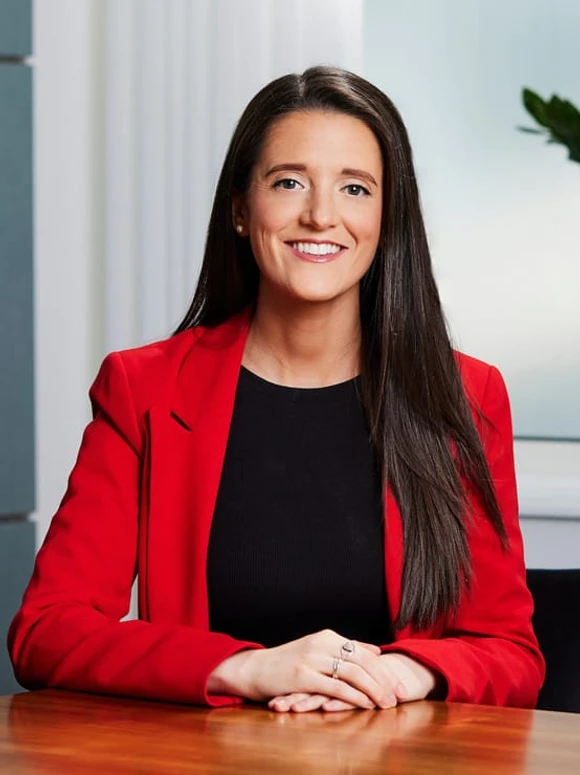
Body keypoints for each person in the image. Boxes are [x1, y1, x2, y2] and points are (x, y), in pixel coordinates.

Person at [8, 66, 544, 713]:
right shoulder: (143, 388)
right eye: (289, 182)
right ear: (241, 209)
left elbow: (511, 651)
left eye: (355, 187)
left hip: (401, 753)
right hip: (202, 756)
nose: (320, 215)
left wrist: (404, 673)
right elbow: (46, 630)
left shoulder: (465, 394)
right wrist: (245, 667)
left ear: (387, 217)